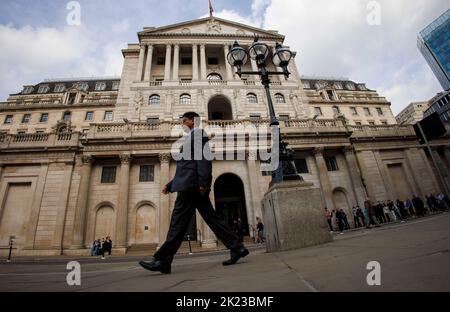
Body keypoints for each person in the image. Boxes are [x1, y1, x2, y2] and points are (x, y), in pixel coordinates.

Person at [139, 112, 249, 274]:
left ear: (193, 121)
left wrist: (203, 184)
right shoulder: (191, 137)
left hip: (192, 187)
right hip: (190, 184)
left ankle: (162, 260)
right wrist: (171, 185)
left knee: (177, 223)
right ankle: (237, 247)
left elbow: (203, 160)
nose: (182, 121)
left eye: (185, 119)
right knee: (212, 218)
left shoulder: (198, 135)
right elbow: (186, 166)